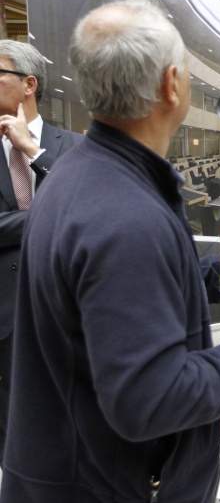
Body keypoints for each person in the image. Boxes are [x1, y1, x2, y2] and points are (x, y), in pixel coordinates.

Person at [0, 0, 220, 502]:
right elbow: (150, 400)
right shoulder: (126, 214)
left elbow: (115, 296)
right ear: (172, 85)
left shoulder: (81, 173)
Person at [0, 40, 83, 465]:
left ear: (28, 84)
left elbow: (87, 207)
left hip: (64, 303)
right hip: (4, 309)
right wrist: (53, 213)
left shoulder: (71, 146)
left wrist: (34, 153)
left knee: (66, 412)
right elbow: (69, 209)